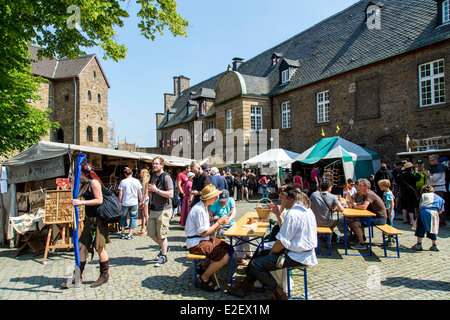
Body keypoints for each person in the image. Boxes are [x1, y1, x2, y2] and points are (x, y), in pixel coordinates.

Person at [226, 185, 318, 300]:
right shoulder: (306, 210)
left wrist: (271, 253)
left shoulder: (293, 214)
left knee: (256, 264)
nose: (280, 200)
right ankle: (245, 284)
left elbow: (281, 242)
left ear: (290, 199)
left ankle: (279, 294)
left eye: (282, 198)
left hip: (297, 255)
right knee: (260, 253)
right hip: (300, 251)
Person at [65, 163, 110, 288]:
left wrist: (81, 202)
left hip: (99, 220)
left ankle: (104, 275)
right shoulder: (85, 184)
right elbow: (76, 194)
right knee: (81, 247)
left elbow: (99, 200)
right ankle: (77, 276)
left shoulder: (94, 182)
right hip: (89, 220)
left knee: (100, 248)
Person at [185, 185, 230, 292]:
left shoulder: (203, 207)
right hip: (196, 243)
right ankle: (204, 279)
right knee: (224, 257)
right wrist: (219, 222)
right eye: (215, 196)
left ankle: (205, 268)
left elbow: (203, 228)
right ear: (209, 198)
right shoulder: (200, 210)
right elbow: (204, 233)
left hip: (200, 239)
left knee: (228, 248)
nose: (217, 199)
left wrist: (213, 224)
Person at [208, 189, 249, 266]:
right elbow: (209, 216)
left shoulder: (231, 200)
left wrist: (229, 219)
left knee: (245, 234)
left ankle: (248, 252)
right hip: (220, 227)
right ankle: (240, 258)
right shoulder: (216, 203)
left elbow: (233, 212)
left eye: (225, 200)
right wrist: (213, 217)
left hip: (231, 224)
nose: (223, 202)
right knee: (239, 236)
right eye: (222, 200)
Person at [346, 178, 387, 250]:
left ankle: (362, 243)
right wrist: (353, 203)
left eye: (360, 186)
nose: (358, 187)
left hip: (380, 219)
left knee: (355, 222)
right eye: (358, 185)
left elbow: (364, 207)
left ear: (366, 186)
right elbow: (361, 204)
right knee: (349, 219)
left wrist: (352, 206)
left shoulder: (369, 194)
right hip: (375, 216)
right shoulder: (366, 194)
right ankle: (359, 237)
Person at [148, 156, 174, 267]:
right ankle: (165, 247)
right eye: (153, 164)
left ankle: (163, 256)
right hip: (154, 208)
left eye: (156, 164)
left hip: (164, 209)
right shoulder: (153, 176)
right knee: (151, 233)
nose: (154, 165)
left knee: (162, 235)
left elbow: (171, 194)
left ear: (162, 165)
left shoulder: (166, 178)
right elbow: (151, 190)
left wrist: (156, 190)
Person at [412, 185, 445, 252]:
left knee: (420, 226)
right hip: (434, 212)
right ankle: (434, 245)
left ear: (425, 191)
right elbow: (440, 211)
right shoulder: (440, 198)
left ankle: (419, 244)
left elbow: (420, 205)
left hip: (425, 210)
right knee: (433, 227)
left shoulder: (424, 195)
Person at [118, 167, 143, 240]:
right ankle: (130, 233)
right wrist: (140, 201)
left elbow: (120, 193)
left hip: (125, 202)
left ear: (125, 174)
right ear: (132, 173)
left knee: (123, 217)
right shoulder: (136, 181)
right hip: (134, 202)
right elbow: (140, 193)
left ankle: (122, 232)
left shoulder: (123, 182)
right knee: (133, 217)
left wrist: (119, 202)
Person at [423, 155, 447, 226]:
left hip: (438, 189)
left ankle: (441, 221)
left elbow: (434, 179)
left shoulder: (439, 168)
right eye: (430, 160)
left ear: (436, 160)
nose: (430, 162)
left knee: (439, 206)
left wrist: (426, 174)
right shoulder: (434, 168)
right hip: (433, 189)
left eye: (432, 160)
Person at [137, 168, 150, 236]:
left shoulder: (146, 182)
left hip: (145, 199)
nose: (139, 174)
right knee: (142, 215)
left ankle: (148, 230)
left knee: (146, 214)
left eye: (141, 173)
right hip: (141, 199)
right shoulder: (140, 181)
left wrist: (143, 201)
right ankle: (142, 228)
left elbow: (146, 193)